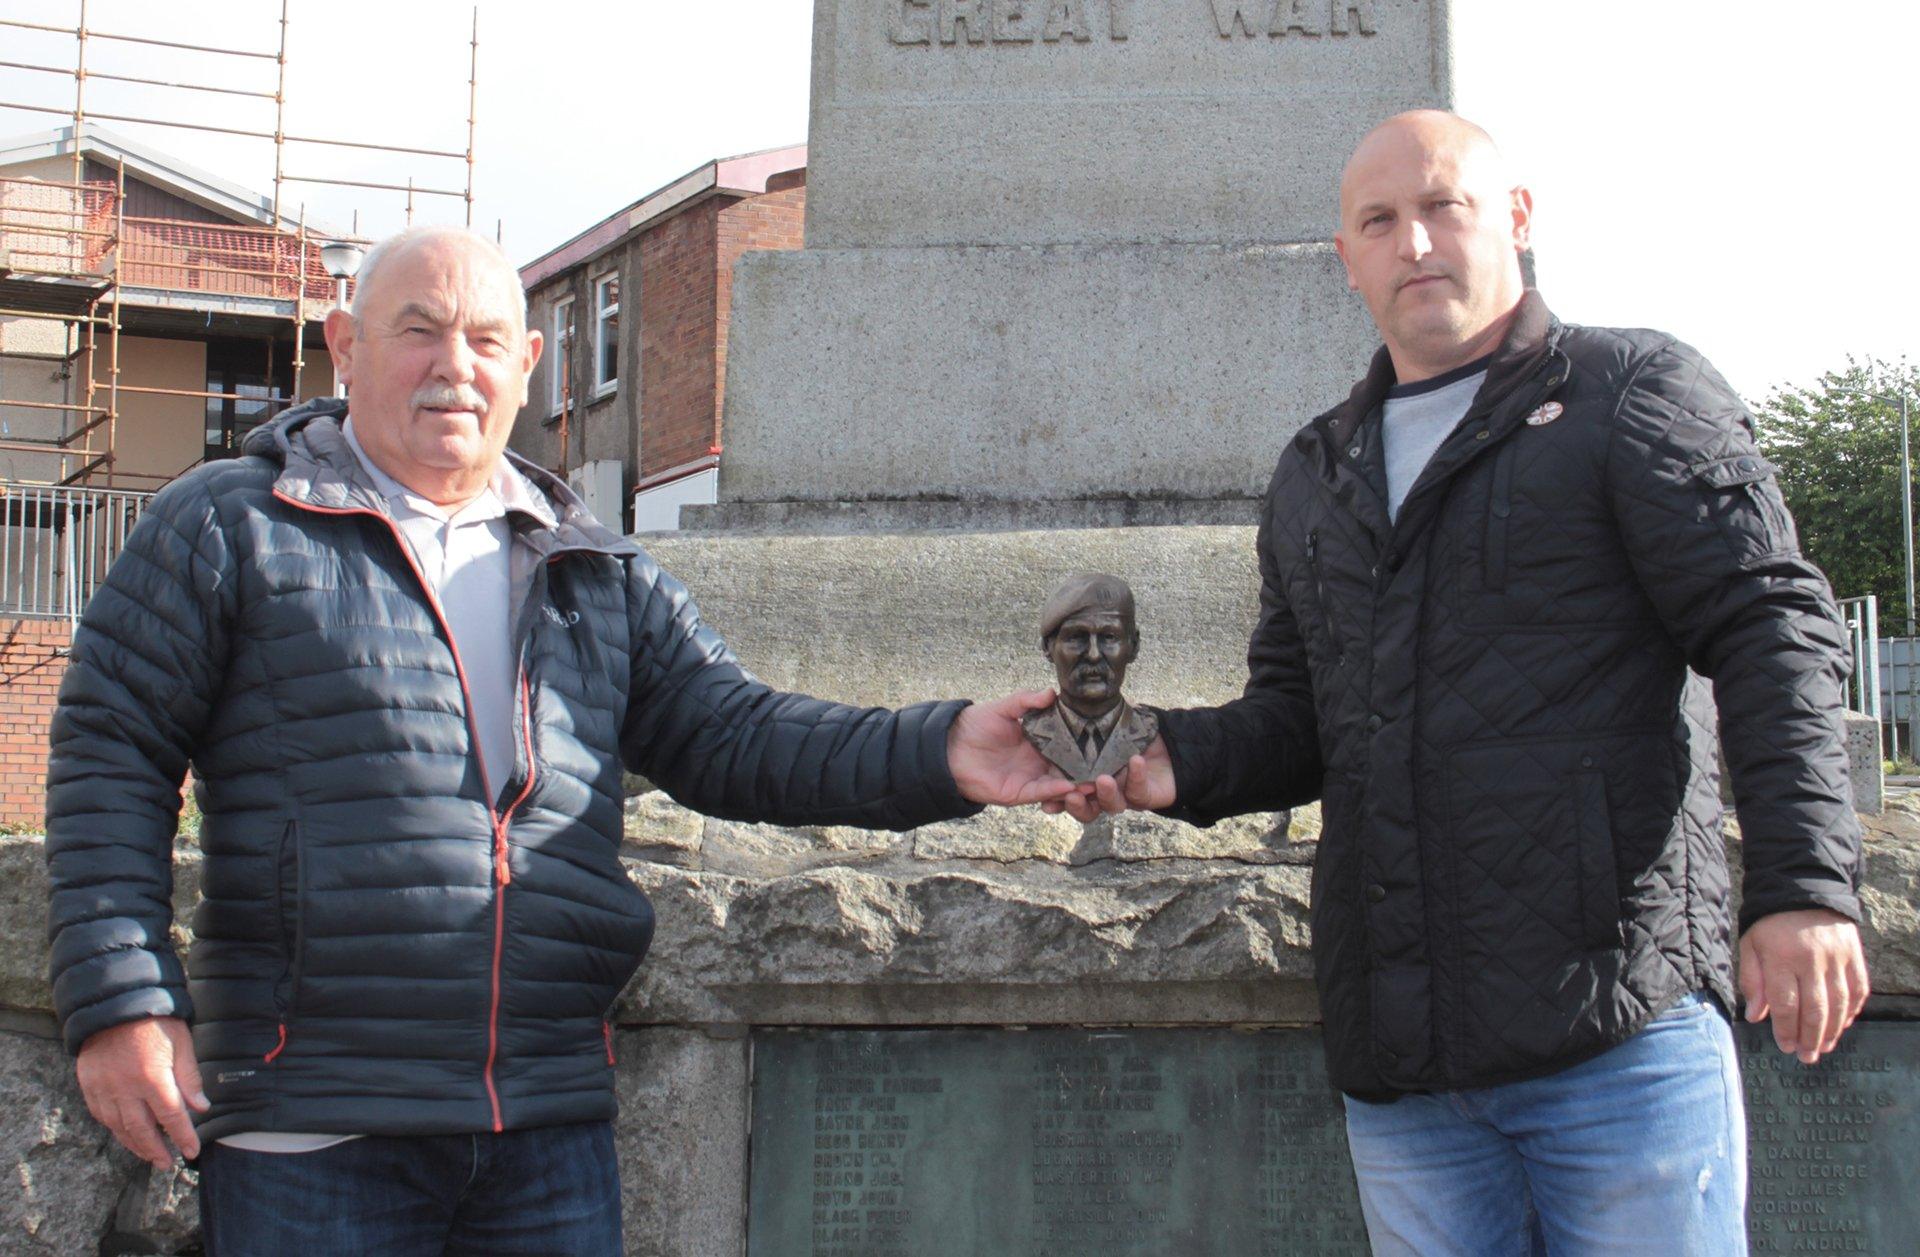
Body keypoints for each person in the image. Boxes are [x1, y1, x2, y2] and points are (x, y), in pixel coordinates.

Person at [44, 224, 1074, 1255]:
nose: (456, 366)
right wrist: (123, 1001)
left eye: (488, 339)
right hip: (314, 1125)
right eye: (420, 331)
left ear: (529, 366)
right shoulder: (231, 524)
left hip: (542, 1127)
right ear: (344, 346)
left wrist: (946, 750)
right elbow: (111, 750)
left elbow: (735, 731)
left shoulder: (593, 565)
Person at [1069, 111, 1869, 1254]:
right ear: (1345, 259)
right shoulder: (1314, 471)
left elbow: (1772, 624)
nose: (1417, 244)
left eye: (1445, 206)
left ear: (1518, 220)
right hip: (1408, 1074)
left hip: (1619, 1040)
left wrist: (1802, 887)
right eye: (1379, 222)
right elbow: (1301, 721)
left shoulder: (1632, 390)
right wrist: (1164, 762)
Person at [1020, 573, 1159, 783]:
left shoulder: (1147, 728)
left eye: (1109, 637)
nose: (1093, 654)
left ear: (1134, 646)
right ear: (1047, 647)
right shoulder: (1032, 728)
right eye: (1076, 637)